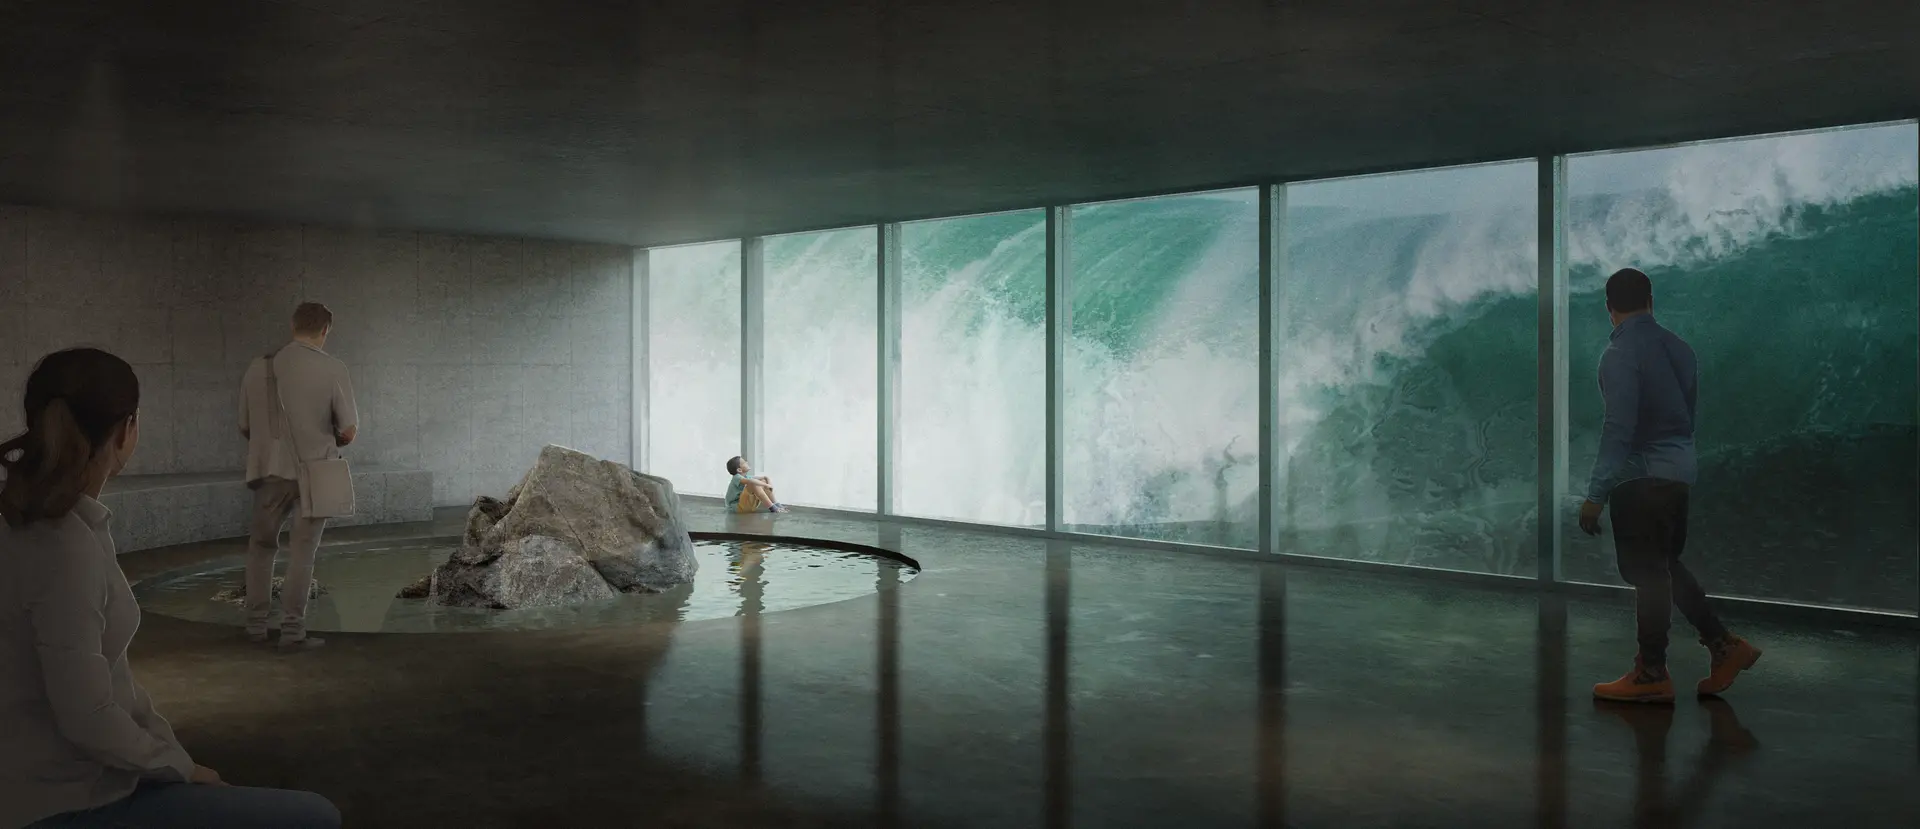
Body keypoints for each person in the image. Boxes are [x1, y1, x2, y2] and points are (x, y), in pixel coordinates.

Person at [0, 348, 341, 828]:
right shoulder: (65, 547)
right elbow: (87, 715)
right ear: (127, 431)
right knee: (315, 817)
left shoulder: (38, 524)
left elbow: (111, 684)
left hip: (51, 782)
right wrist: (180, 768)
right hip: (66, 800)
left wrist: (171, 755)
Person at [1581, 268, 1761, 703]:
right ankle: (1724, 646)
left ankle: (1652, 674)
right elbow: (1686, 417)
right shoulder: (1680, 348)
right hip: (1680, 471)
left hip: (1642, 476)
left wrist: (1596, 493)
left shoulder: (1618, 355)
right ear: (1650, 301)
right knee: (1664, 567)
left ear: (1609, 308)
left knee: (1648, 574)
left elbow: (1619, 428)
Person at [237, 303, 358, 651]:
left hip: (270, 475)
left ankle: (255, 627)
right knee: (303, 553)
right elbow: (349, 430)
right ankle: (292, 632)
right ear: (325, 330)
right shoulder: (333, 368)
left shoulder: (258, 368)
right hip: (315, 474)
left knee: (261, 548)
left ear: (293, 326)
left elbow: (244, 425)